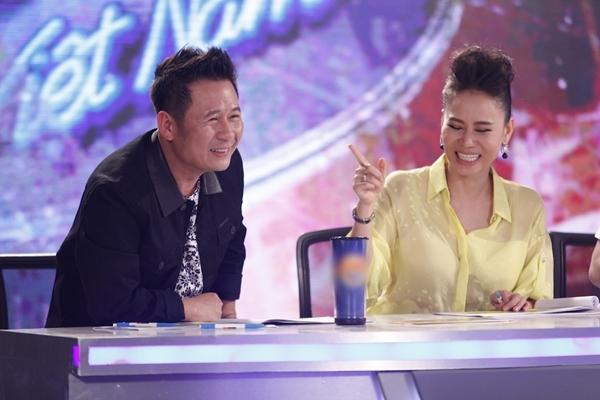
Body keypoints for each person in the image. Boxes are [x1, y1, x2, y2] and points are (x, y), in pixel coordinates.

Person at [46, 47, 246, 327]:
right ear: (168, 125)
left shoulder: (227, 166)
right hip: (98, 347)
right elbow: (111, 304)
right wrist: (186, 308)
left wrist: (227, 310)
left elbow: (233, 234)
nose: (228, 133)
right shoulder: (115, 192)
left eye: (234, 116)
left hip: (188, 341)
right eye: (212, 119)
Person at [349, 45, 553, 314]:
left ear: (507, 131)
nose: (467, 141)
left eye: (482, 130)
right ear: (442, 123)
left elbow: (540, 302)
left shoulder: (527, 206)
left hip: (492, 342)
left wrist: (523, 306)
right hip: (407, 340)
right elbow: (354, 283)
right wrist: (365, 209)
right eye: (456, 126)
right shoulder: (400, 189)